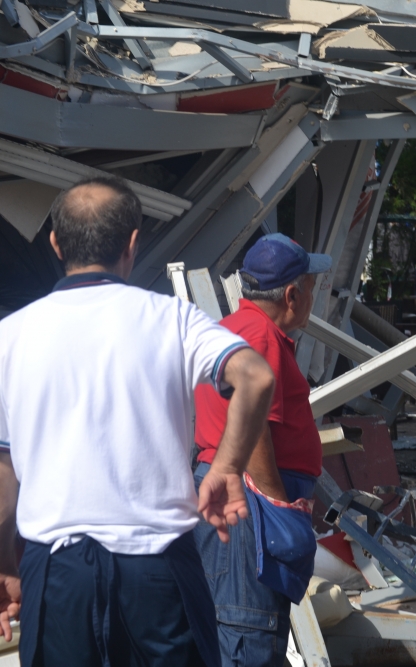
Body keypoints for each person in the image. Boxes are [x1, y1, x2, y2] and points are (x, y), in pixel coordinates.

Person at [0, 177, 276, 667]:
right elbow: (254, 377)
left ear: (56, 243)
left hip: (57, 571)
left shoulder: (10, 337)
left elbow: (4, 467)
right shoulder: (174, 319)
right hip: (159, 570)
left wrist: (3, 556)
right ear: (133, 243)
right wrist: (227, 468)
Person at [192, 233, 331, 666]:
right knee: (249, 633)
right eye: (311, 286)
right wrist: (280, 504)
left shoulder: (231, 328)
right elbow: (253, 435)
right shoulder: (260, 336)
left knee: (233, 627)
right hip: (248, 505)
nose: (312, 295)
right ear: (291, 294)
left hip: (233, 497)